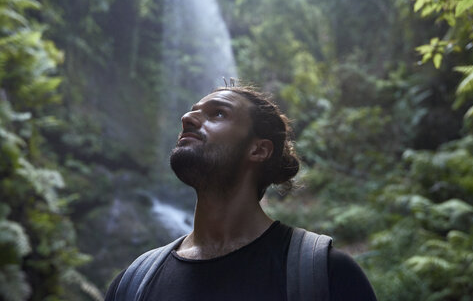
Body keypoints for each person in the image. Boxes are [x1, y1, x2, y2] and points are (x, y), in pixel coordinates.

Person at [105, 86, 377, 301]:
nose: (187, 118)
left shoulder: (326, 275)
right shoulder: (132, 285)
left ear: (258, 150)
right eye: (192, 111)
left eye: (218, 113)